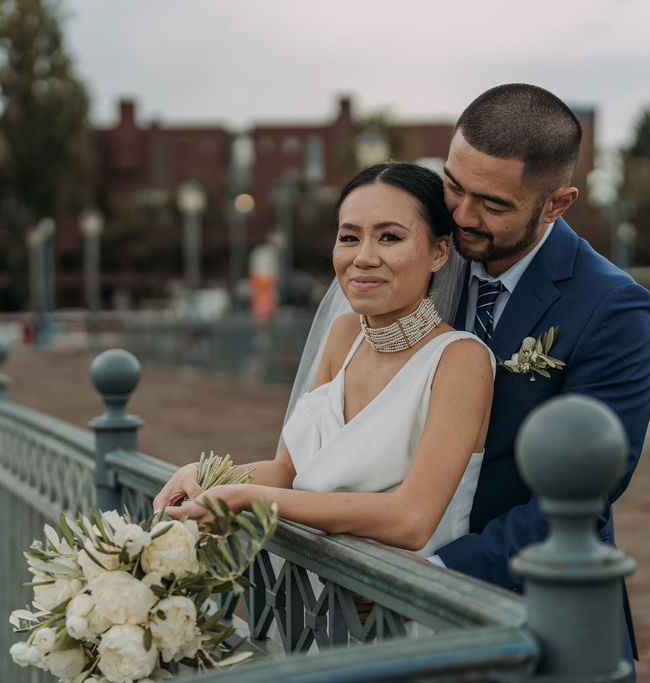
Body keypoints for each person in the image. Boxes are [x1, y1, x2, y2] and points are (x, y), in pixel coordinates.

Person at [154, 162, 495, 558]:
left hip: (404, 604)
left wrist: (247, 497)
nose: (364, 257)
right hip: (316, 599)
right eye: (349, 237)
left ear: (439, 252)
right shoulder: (345, 335)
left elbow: (412, 519)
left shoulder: (460, 360)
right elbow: (288, 471)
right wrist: (207, 475)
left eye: (389, 237)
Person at [431, 84, 650, 670]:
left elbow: (584, 497)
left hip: (540, 616)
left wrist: (433, 574)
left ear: (557, 203)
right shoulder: (429, 254)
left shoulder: (611, 307)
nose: (461, 215)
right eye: (453, 185)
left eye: (493, 204)